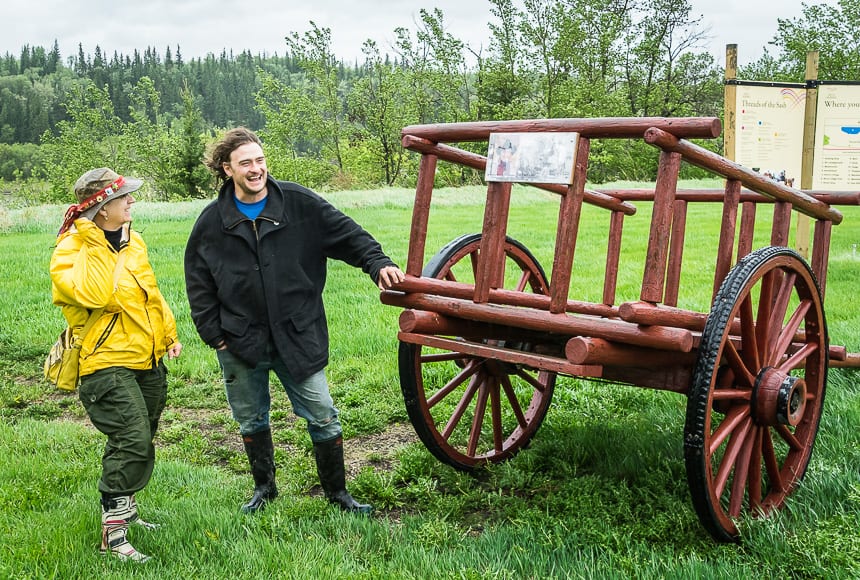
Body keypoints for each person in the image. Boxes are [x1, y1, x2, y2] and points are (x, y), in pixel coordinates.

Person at [184, 127, 405, 515]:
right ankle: (264, 489)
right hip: (239, 340)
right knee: (250, 417)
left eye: (260, 160)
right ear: (227, 169)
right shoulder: (211, 223)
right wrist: (213, 334)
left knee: (322, 412)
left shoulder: (299, 205)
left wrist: (378, 263)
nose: (256, 169)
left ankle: (339, 495)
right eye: (245, 163)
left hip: (296, 334)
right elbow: (197, 282)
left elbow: (349, 235)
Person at [49, 168, 183, 562]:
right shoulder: (71, 249)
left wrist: (169, 334)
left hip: (146, 355)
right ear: (102, 207)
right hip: (104, 362)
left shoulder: (133, 240)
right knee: (132, 439)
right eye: (124, 197)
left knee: (142, 435)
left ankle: (126, 511)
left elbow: (149, 294)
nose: (132, 202)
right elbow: (94, 294)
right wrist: (95, 240)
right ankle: (114, 534)